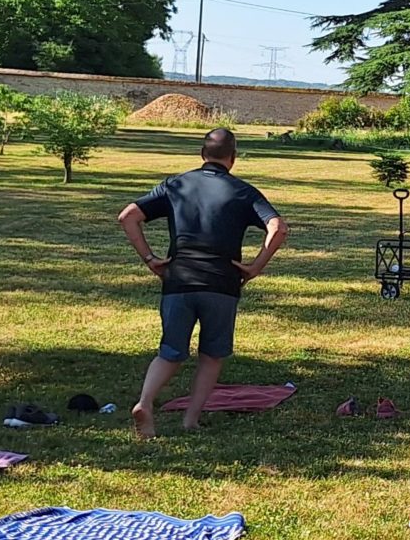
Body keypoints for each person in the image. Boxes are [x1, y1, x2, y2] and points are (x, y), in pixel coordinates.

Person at [117, 127, 289, 438]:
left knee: (170, 350)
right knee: (212, 355)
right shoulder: (243, 191)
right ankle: (191, 420)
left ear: (202, 154)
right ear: (233, 159)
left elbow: (128, 216)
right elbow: (277, 228)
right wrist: (255, 267)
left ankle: (145, 402)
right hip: (222, 284)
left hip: (179, 280)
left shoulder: (176, 184)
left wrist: (150, 259)